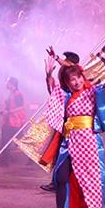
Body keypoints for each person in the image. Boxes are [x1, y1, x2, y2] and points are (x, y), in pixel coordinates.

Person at [42, 47, 105, 208]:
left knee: (91, 178)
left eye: (78, 77)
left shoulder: (91, 92)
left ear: (83, 77)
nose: (76, 82)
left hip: (88, 142)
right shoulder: (66, 96)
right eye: (72, 80)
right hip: (69, 142)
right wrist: (48, 75)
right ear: (67, 83)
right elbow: (53, 91)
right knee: (60, 177)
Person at [40, 51, 80, 193]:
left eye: (66, 62)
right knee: (60, 154)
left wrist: (57, 59)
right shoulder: (64, 89)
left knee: (73, 156)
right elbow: (52, 89)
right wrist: (48, 75)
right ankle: (57, 183)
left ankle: (71, 185)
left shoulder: (79, 85)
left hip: (78, 129)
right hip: (65, 128)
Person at [0, 76, 26, 165]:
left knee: (21, 141)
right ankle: (4, 161)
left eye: (8, 82)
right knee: (5, 140)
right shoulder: (10, 94)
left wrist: (9, 112)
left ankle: (33, 158)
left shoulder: (17, 94)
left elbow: (21, 107)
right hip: (8, 121)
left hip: (15, 121)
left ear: (12, 84)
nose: (6, 84)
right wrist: (4, 111)